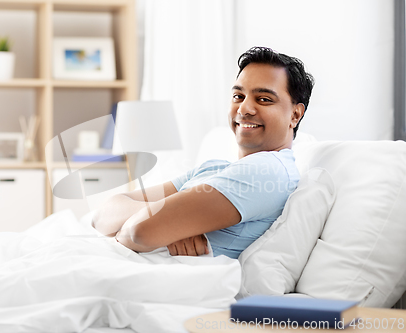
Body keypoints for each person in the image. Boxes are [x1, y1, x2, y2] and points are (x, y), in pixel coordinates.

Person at [92, 46, 315, 259]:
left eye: (264, 99)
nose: (244, 109)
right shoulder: (213, 168)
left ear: (295, 115)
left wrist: (150, 223)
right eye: (238, 96)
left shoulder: (268, 170)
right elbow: (102, 215)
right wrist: (170, 223)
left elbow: (139, 231)